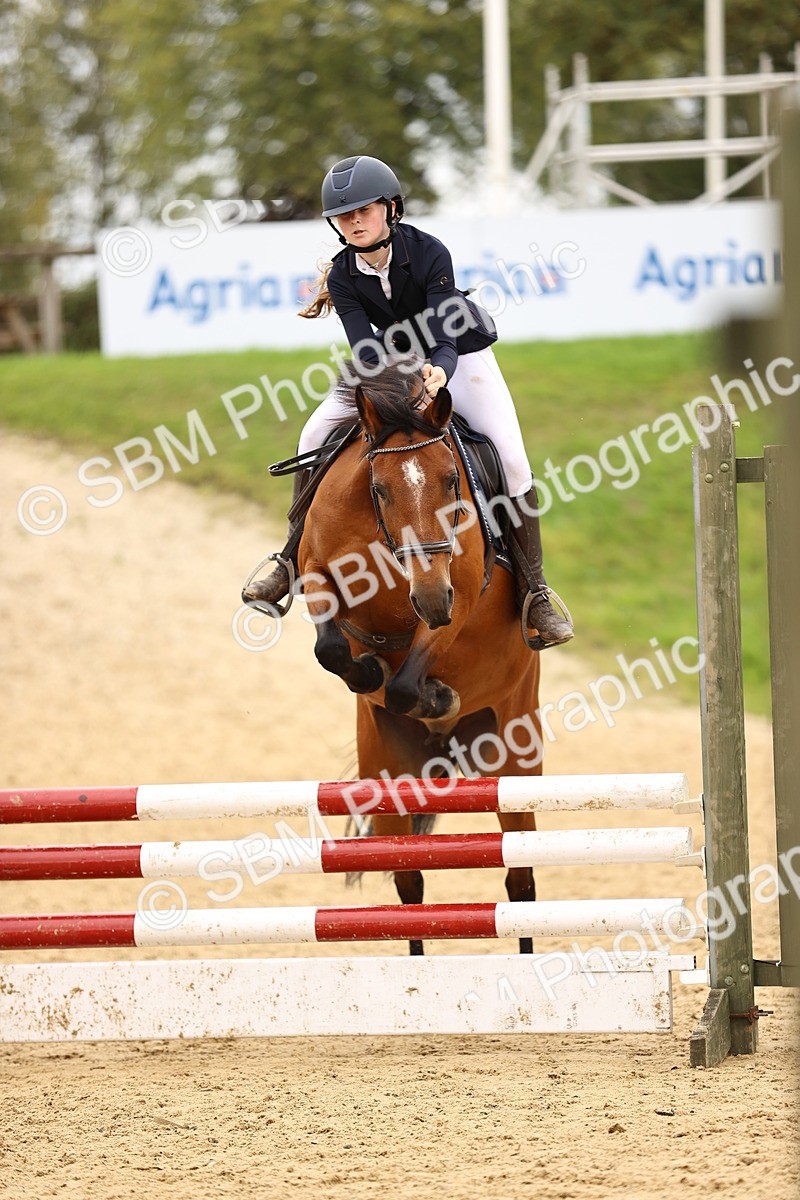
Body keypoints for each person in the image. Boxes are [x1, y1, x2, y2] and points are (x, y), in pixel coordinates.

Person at [245, 155, 573, 650]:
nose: (354, 222)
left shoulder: (428, 252)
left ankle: (535, 591)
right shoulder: (343, 276)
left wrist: (440, 370)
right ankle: (289, 560)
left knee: (511, 456)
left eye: (364, 210)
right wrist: (399, 381)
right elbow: (366, 349)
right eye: (344, 215)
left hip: (458, 351)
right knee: (312, 435)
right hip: (387, 365)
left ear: (391, 209)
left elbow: (446, 329)